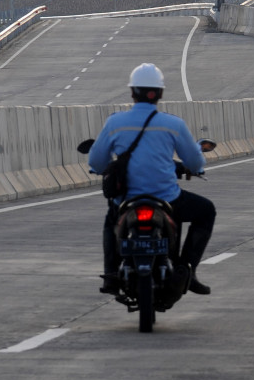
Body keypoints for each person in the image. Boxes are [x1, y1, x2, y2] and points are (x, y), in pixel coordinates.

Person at [88, 62, 216, 296]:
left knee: (111, 220)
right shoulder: (173, 124)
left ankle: (111, 275)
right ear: (160, 93)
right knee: (206, 211)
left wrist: (105, 168)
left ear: (132, 92)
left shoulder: (114, 123)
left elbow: (96, 162)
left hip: (126, 200)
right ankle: (186, 269)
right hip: (168, 199)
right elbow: (195, 162)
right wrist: (193, 167)